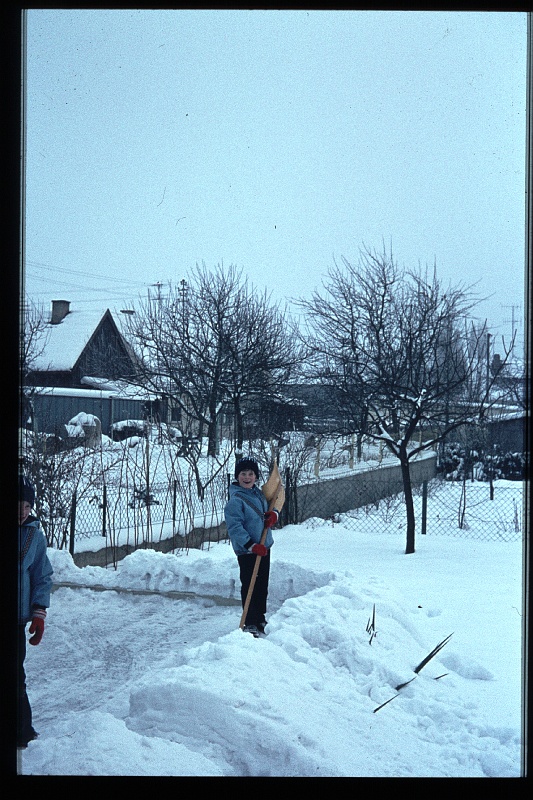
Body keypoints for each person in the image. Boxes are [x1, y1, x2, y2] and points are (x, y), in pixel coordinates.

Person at [224, 457, 280, 637]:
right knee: (250, 585)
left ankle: (260, 617)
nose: (247, 477)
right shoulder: (236, 500)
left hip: (264, 547)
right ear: (237, 476)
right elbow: (235, 528)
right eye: (243, 474)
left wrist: (273, 516)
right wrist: (251, 545)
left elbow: (271, 508)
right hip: (248, 551)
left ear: (256, 476)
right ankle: (250, 621)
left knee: (262, 584)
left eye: (251, 474)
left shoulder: (258, 494)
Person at [18, 475, 53, 749]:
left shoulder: (34, 534)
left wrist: (39, 613)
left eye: (27, 504)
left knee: (16, 676)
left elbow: (42, 575)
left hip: (16, 619)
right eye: (17, 502)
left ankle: (21, 731)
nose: (21, 509)